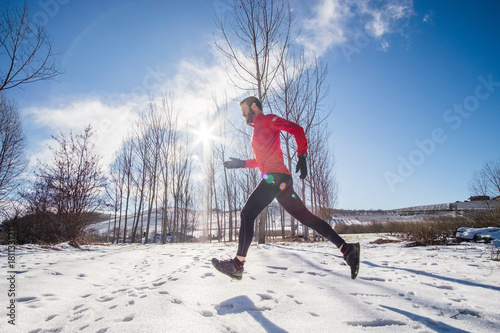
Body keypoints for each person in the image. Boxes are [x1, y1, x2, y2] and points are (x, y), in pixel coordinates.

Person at [211, 96, 360, 280]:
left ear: (254, 106)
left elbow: (296, 129)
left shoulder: (267, 120)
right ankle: (347, 249)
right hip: (281, 180)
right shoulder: (256, 129)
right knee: (308, 219)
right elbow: (260, 160)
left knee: (247, 214)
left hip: (275, 177)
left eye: (244, 111)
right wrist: (242, 163)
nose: (243, 115)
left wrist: (302, 155)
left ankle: (237, 264)